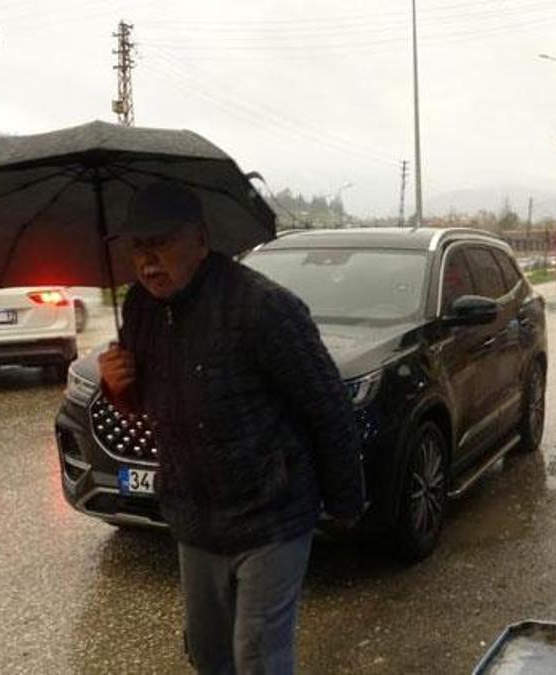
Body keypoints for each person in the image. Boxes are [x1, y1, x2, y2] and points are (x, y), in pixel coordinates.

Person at [99, 181, 365, 674]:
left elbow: (328, 407)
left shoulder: (262, 307)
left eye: (160, 242)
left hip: (272, 512)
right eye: (138, 246)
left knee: (258, 658)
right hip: (195, 515)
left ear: (199, 240)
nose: (147, 260)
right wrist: (118, 387)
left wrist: (347, 504)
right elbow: (146, 405)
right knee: (208, 654)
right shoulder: (139, 308)